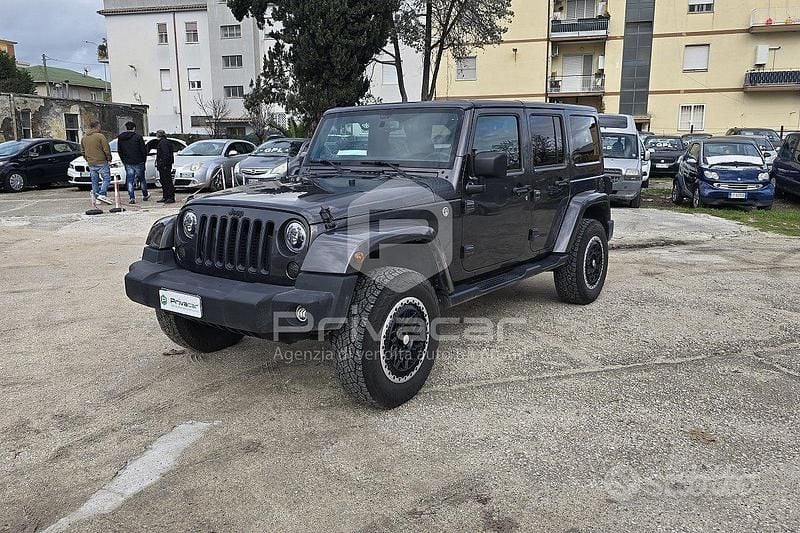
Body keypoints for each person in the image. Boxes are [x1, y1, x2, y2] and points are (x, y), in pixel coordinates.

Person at [117, 122, 150, 204]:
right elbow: (143, 150)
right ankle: (145, 194)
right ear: (134, 128)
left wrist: (124, 160)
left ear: (126, 128)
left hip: (128, 161)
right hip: (139, 161)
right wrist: (143, 160)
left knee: (130, 180)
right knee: (142, 179)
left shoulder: (121, 138)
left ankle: (131, 197)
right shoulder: (138, 137)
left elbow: (119, 151)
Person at [81, 121, 113, 205]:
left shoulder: (84, 138)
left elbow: (82, 151)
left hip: (91, 162)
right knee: (106, 178)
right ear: (96, 127)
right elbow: (106, 149)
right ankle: (102, 194)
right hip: (101, 161)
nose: (100, 128)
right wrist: (109, 158)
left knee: (94, 181)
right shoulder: (100, 136)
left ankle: (96, 197)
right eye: (99, 126)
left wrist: (87, 159)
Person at [155, 130, 175, 204]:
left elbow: (165, 154)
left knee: (167, 181)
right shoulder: (165, 142)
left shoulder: (163, 143)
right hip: (165, 165)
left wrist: (163, 164)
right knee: (164, 181)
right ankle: (166, 196)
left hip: (164, 165)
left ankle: (170, 197)